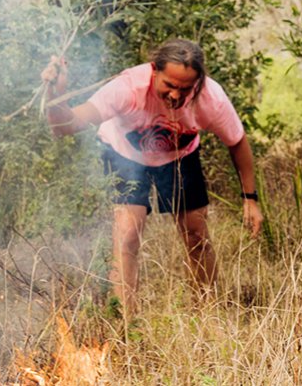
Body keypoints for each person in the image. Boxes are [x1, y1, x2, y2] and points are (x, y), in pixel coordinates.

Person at [41, 38, 263, 315]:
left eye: (185, 88)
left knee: (196, 232)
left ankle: (208, 312)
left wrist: (250, 199)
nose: (175, 95)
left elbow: (237, 142)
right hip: (124, 153)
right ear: (154, 70)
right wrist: (55, 94)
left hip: (180, 156)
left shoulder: (209, 97)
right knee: (128, 232)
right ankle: (125, 319)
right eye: (168, 85)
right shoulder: (127, 88)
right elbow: (65, 126)